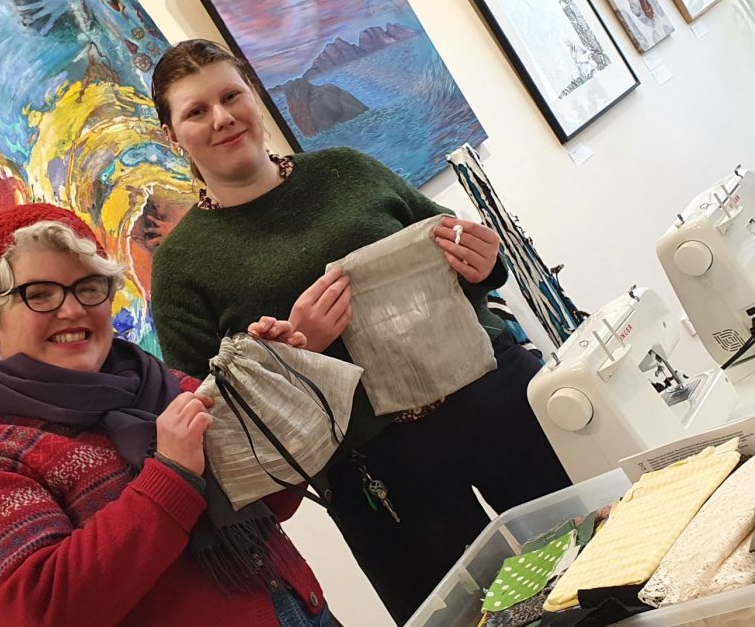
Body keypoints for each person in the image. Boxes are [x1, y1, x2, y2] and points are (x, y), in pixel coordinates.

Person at [149, 39, 571, 624]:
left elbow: (458, 262)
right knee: (476, 619)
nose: (221, 118)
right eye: (196, 111)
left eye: (230, 95)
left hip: (495, 400)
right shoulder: (180, 266)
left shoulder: (345, 169)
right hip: (381, 477)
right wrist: (297, 359)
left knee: (610, 556)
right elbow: (214, 423)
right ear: (173, 136)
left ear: (253, 95)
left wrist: (484, 265)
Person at [0, 202, 338, 627]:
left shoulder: (163, 383)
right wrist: (172, 475)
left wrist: (277, 386)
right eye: (40, 294)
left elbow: (274, 500)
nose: (71, 310)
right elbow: (40, 610)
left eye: (88, 287)